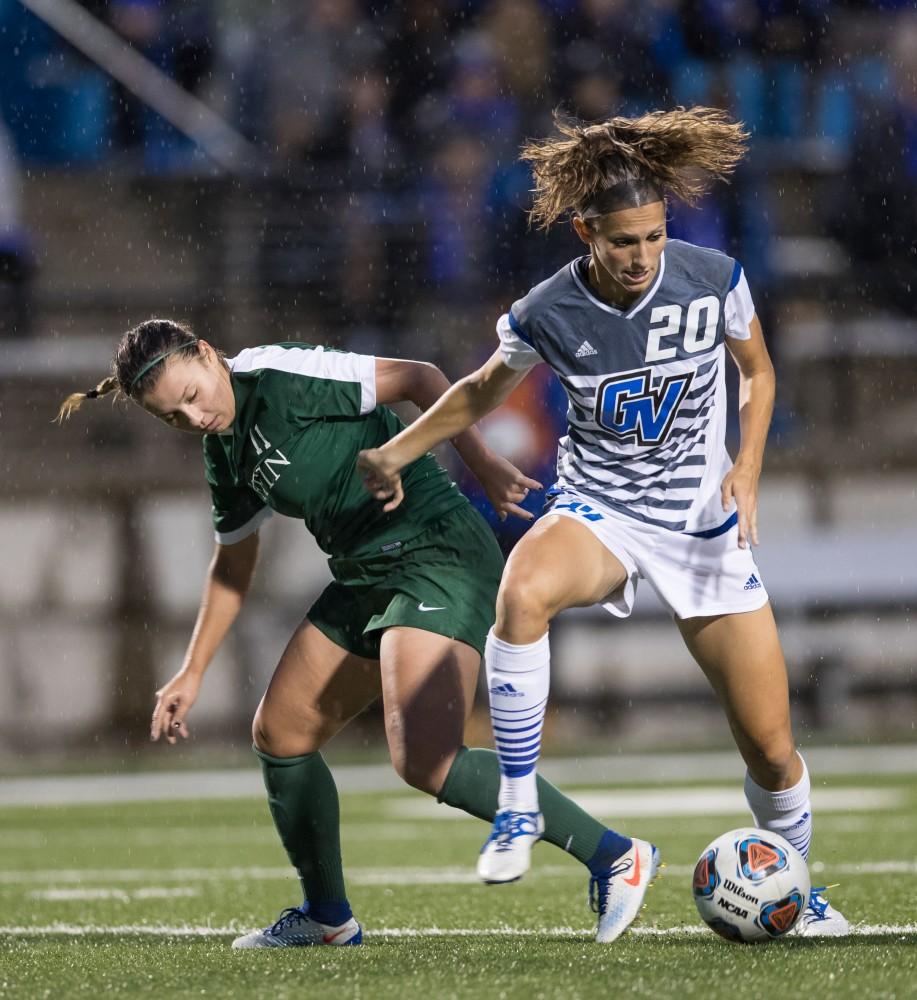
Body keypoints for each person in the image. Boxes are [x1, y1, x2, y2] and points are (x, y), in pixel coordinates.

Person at [358, 107, 849, 936]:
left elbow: (758, 373)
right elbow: (480, 390)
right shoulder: (547, 310)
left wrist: (749, 465)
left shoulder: (713, 278)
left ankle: (797, 886)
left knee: (770, 747)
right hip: (605, 512)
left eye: (654, 237)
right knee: (523, 589)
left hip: (701, 525)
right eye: (624, 241)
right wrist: (397, 451)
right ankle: (519, 802)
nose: (642, 257)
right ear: (586, 231)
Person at [57, 319, 662, 946]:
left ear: (209, 355)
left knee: (426, 760)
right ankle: (327, 918)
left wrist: (480, 463)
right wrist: (192, 669)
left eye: (192, 395)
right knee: (281, 734)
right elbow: (233, 565)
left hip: (435, 553)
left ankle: (616, 855)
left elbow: (419, 379)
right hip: (364, 575)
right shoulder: (224, 451)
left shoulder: (280, 376)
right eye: (172, 417)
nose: (194, 416)